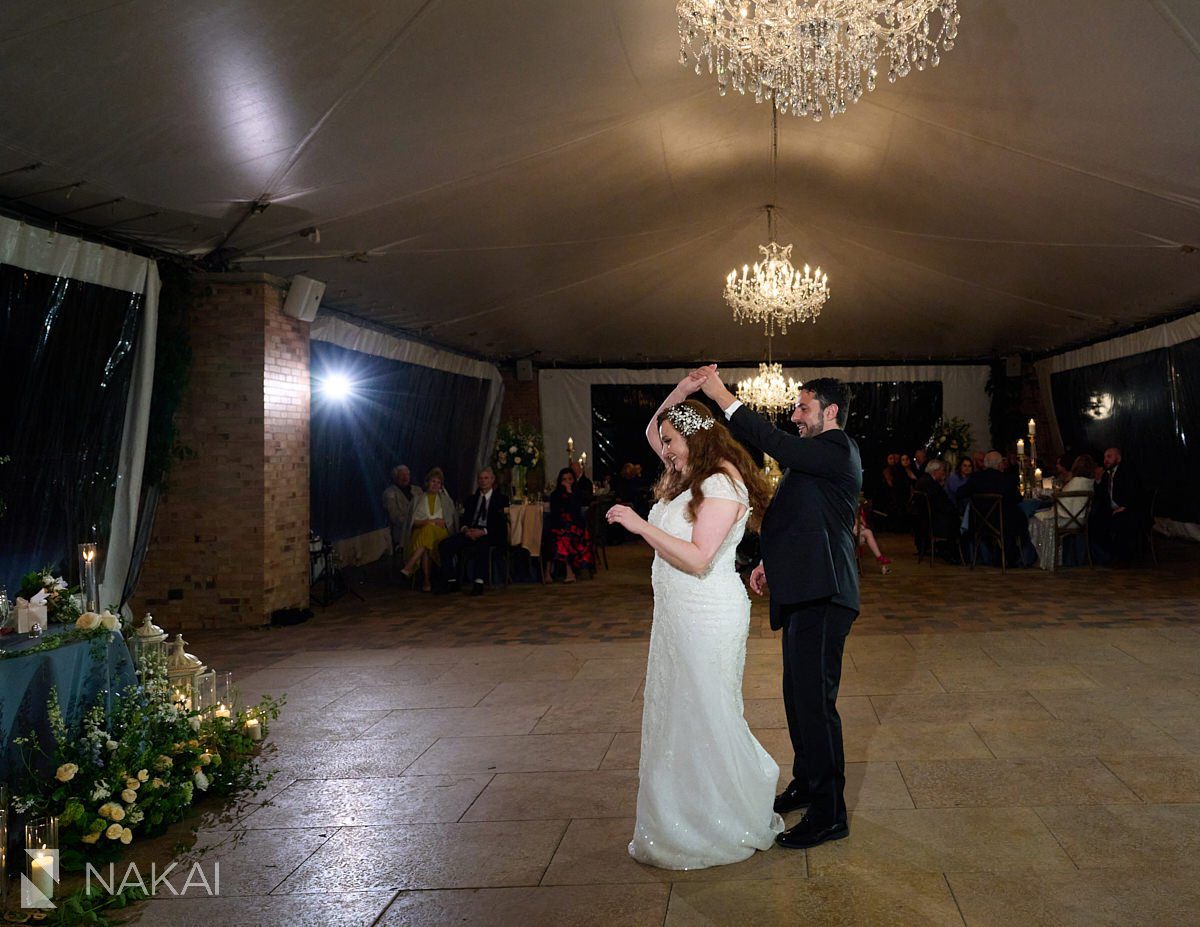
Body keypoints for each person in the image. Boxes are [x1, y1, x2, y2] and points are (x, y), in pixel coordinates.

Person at [605, 377, 782, 869]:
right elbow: (652, 429)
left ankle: (725, 810)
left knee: (708, 709)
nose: (663, 450)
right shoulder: (688, 472)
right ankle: (680, 811)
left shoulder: (721, 484)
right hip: (676, 614)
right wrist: (681, 392)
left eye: (671, 442)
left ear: (695, 438)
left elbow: (701, 557)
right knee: (680, 710)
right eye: (663, 443)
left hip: (707, 613)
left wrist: (641, 526)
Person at [697, 365, 862, 851]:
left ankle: (831, 813)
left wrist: (722, 397)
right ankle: (808, 783)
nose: (794, 415)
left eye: (803, 407)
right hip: (805, 588)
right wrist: (770, 559)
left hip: (825, 594)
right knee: (797, 698)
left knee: (816, 705)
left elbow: (774, 442)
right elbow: (803, 518)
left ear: (830, 412)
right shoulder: (814, 459)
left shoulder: (836, 447)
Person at [440, 468, 509, 596]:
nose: (483, 481)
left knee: (482, 544)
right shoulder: (471, 499)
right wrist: (466, 529)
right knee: (445, 544)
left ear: (492, 480)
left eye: (486, 478)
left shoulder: (501, 499)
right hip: (470, 531)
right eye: (481, 478)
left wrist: (483, 531)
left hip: (489, 533)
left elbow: (500, 524)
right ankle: (451, 580)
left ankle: (479, 581)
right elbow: (464, 519)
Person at [1030, 454, 1096, 569]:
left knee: (1034, 521)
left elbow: (1062, 499)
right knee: (1042, 515)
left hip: (1067, 519)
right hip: (1081, 519)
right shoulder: (1089, 483)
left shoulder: (1075, 482)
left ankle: (1045, 559)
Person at [960, 451, 1025, 566]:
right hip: (1002, 524)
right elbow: (1018, 498)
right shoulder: (1007, 480)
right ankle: (1017, 557)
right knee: (1021, 517)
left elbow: (960, 493)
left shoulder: (976, 478)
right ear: (1000, 465)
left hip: (979, 523)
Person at [401, 467, 458, 591]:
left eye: (438, 482)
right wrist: (430, 521)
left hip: (440, 533)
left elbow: (449, 522)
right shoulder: (417, 500)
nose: (435, 485)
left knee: (429, 532)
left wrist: (439, 523)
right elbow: (413, 522)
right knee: (427, 535)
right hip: (420, 532)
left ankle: (411, 566)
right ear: (427, 483)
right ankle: (426, 581)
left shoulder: (446, 500)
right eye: (433, 481)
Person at [1094, 446, 1147, 562]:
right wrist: (1098, 480)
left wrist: (1125, 507)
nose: (1105, 460)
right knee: (1095, 520)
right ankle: (1104, 557)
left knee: (1121, 521)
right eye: (1104, 457)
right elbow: (1101, 496)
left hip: (1131, 509)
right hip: (1113, 509)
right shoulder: (1107, 475)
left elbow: (1135, 491)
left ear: (1118, 458)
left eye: (1109, 457)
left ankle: (1122, 559)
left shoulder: (1127, 471)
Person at [547, 468, 593, 582]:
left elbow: (576, 512)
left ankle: (568, 572)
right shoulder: (555, 495)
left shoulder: (577, 494)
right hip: (560, 525)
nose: (567, 482)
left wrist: (570, 494)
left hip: (576, 526)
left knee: (563, 538)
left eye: (570, 479)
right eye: (564, 479)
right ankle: (549, 572)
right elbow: (555, 513)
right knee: (555, 537)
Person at [913, 460, 962, 561]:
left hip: (922, 520)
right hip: (935, 522)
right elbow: (944, 504)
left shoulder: (921, 481)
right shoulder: (932, 485)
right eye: (942, 471)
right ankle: (952, 553)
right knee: (956, 520)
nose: (943, 473)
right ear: (935, 471)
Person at [383, 465, 419, 555]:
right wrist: (412, 522)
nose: (405, 477)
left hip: (421, 523)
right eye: (402, 475)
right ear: (396, 477)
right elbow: (394, 516)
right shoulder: (390, 493)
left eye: (407, 475)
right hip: (403, 530)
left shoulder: (417, 490)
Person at [855, 501, 892, 573]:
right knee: (868, 533)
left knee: (866, 534)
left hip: (856, 533)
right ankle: (880, 558)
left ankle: (880, 559)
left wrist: (860, 523)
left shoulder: (856, 509)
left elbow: (862, 524)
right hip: (848, 534)